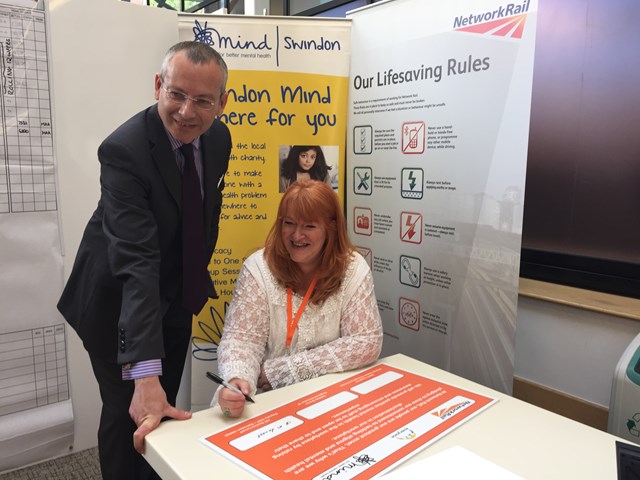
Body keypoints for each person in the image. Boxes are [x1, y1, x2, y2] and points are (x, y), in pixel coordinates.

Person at [57, 41, 232, 480]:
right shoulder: (124, 150)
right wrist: (144, 372)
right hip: (117, 305)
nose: (188, 112)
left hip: (173, 298)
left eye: (203, 101)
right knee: (128, 415)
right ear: (158, 86)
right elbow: (136, 262)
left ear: (221, 103)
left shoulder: (219, 138)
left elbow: (206, 211)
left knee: (161, 409)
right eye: (176, 94)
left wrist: (192, 279)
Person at [215, 180, 383, 418]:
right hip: (269, 403)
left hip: (334, 401)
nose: (296, 235)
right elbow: (242, 341)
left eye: (309, 226)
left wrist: (285, 370)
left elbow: (367, 341)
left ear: (331, 229)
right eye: (289, 223)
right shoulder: (259, 268)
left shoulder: (353, 269)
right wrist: (237, 378)